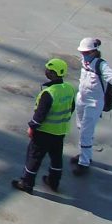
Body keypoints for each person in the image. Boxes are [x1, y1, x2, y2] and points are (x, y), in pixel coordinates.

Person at [15, 57, 76, 192]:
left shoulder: (49, 93)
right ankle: (54, 182)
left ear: (53, 73)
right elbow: (71, 108)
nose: (46, 71)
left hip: (44, 132)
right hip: (60, 131)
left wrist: (32, 127)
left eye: (48, 70)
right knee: (56, 158)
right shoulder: (69, 89)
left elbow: (40, 115)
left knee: (34, 157)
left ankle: (26, 183)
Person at [73, 37, 112, 175]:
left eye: (86, 52)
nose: (83, 55)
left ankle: (84, 163)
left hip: (93, 104)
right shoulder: (84, 62)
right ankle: (84, 154)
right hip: (81, 99)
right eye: (82, 52)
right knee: (80, 127)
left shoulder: (101, 65)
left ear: (94, 52)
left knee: (86, 132)